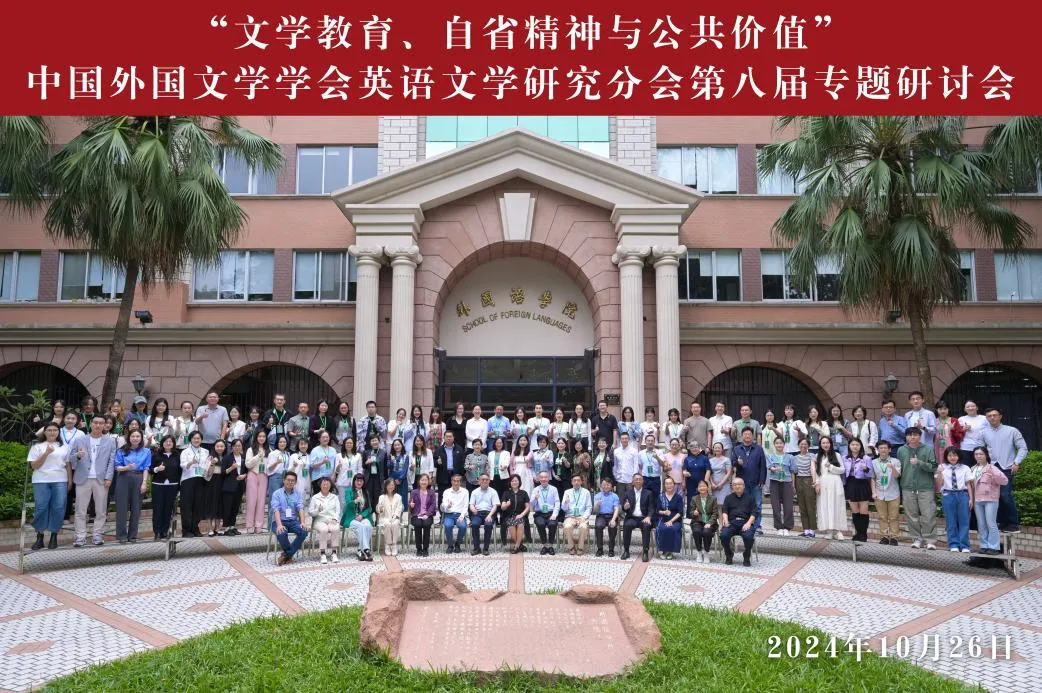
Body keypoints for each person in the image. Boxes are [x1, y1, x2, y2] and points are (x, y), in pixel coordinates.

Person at [65, 415, 116, 547]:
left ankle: (98, 535)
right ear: (91, 424)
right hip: (83, 478)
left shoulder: (110, 441)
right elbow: (70, 459)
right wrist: (78, 455)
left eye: (101, 423)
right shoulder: (80, 439)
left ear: (104, 425)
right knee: (80, 510)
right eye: (95, 422)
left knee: (101, 510)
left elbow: (112, 461)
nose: (98, 425)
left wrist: (109, 477)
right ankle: (80, 537)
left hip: (101, 480)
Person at [980, 407, 1027, 532]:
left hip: (1007, 467)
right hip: (991, 468)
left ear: (1000, 416)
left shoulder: (1012, 430)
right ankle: (1002, 522)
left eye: (994, 415)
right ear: (986, 418)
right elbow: (980, 450)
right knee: (994, 496)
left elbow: (1023, 448)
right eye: (989, 416)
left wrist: (1017, 462)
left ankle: (1013, 523)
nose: (992, 418)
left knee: (1005, 495)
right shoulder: (984, 433)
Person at [28, 423, 70, 550]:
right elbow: (34, 466)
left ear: (58, 432)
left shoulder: (64, 447)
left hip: (60, 480)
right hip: (41, 480)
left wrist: (70, 480)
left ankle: (53, 536)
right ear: (44, 432)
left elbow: (68, 465)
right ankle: (39, 536)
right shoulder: (37, 447)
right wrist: (46, 453)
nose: (52, 432)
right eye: (49, 430)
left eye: (55, 430)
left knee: (58, 507)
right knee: (41, 507)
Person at [897, 426, 938, 549]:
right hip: (907, 487)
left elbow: (933, 467)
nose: (912, 437)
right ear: (906, 437)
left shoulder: (928, 449)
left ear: (920, 436)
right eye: (909, 435)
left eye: (915, 435)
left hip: (925, 487)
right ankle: (916, 539)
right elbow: (899, 468)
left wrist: (920, 462)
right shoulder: (901, 450)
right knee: (911, 516)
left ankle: (930, 541)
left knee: (928, 515)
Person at [113, 429, 150, 544]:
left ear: (141, 438)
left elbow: (146, 468)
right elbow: (117, 467)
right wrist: (127, 467)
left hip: (139, 478)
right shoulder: (121, 450)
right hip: (124, 477)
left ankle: (133, 535)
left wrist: (144, 482)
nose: (135, 438)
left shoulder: (146, 451)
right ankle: (122, 535)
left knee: (136, 508)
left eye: (138, 436)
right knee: (122, 508)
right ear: (128, 438)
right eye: (133, 436)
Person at [970, 447, 1007, 555]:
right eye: (976, 454)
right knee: (981, 524)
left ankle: (994, 547)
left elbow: (1004, 481)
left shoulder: (992, 468)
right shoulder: (973, 468)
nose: (978, 456)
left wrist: (994, 475)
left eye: (981, 454)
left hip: (990, 499)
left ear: (986, 455)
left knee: (991, 523)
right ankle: (984, 546)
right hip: (977, 500)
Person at [938, 446, 974, 553]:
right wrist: (940, 473)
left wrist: (971, 499)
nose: (952, 457)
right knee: (951, 521)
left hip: (962, 495)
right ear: (946, 457)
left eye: (954, 455)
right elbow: (939, 483)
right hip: (948, 495)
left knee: (964, 521)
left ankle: (965, 545)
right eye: (949, 455)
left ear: (959, 456)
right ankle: (953, 544)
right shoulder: (942, 467)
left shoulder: (965, 468)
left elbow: (969, 484)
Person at [732, 428, 767, 534]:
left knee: (757, 504)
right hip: (742, 483)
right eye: (745, 434)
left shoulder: (759, 449)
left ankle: (757, 526)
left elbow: (763, 465)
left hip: (756, 482)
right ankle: (745, 524)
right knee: (743, 504)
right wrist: (738, 463)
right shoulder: (737, 449)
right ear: (742, 436)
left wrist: (762, 480)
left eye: (749, 434)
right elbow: (733, 463)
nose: (747, 436)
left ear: (753, 436)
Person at [271, 471, 308, 566]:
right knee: (281, 532)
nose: (290, 482)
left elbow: (301, 508)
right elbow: (276, 509)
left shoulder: (297, 494)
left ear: (295, 482)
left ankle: (285, 555)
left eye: (293, 480)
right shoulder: (277, 493)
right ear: (284, 480)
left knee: (304, 531)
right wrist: (279, 525)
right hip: (279, 521)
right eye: (288, 480)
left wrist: (302, 522)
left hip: (293, 521)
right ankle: (289, 555)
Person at [149, 435, 181, 540]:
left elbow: (180, 472)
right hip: (158, 485)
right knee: (158, 509)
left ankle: (164, 531)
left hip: (172, 486)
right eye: (166, 441)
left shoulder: (177, 456)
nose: (168, 443)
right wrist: (157, 469)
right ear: (162, 443)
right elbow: (150, 469)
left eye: (170, 441)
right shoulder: (156, 455)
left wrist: (179, 488)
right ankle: (157, 532)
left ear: (173, 444)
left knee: (168, 510)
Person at [870, 441, 902, 546]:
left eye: (885, 448)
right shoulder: (873, 462)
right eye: (881, 448)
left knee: (894, 517)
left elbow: (897, 476)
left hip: (893, 493)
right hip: (879, 493)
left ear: (889, 449)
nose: (883, 450)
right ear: (877, 450)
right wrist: (873, 492)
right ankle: (884, 537)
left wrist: (892, 467)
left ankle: (894, 538)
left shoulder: (896, 461)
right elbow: (873, 478)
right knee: (882, 516)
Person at [815, 436, 847, 540]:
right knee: (825, 506)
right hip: (823, 483)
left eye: (827, 443)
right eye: (823, 443)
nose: (825, 445)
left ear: (831, 444)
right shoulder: (818, 456)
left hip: (835, 483)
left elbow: (842, 470)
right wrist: (817, 483)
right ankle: (829, 531)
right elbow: (817, 472)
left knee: (836, 505)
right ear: (820, 445)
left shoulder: (837, 455)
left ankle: (838, 531)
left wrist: (831, 466)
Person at [179, 431, 210, 537]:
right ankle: (186, 530)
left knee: (198, 505)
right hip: (188, 479)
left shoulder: (205, 451)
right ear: (190, 439)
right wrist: (191, 462)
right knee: (187, 505)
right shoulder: (185, 451)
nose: (196, 440)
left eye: (198, 438)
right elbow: (182, 465)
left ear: (201, 440)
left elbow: (206, 465)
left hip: (200, 479)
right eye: (194, 438)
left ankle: (195, 528)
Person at [720, 477, 757, 567]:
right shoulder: (728, 498)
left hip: (745, 523)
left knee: (748, 537)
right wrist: (726, 521)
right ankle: (729, 554)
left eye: (739, 484)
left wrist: (748, 523)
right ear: (732, 487)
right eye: (735, 485)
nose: (737, 486)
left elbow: (754, 513)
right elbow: (724, 511)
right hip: (732, 523)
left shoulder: (750, 498)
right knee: (723, 535)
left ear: (743, 486)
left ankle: (746, 555)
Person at [843, 438, 874, 543]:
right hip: (850, 484)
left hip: (862, 484)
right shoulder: (845, 458)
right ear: (849, 446)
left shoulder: (866, 458)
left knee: (863, 511)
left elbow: (870, 474)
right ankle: (858, 533)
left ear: (860, 446)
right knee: (855, 511)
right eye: (852, 444)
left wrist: (866, 469)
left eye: (857, 444)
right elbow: (843, 473)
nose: (855, 446)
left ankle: (863, 534)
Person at [621, 473, 657, 562]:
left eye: (640, 479)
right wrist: (625, 507)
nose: (638, 481)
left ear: (643, 481)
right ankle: (626, 550)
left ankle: (645, 552)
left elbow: (652, 507)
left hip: (644, 518)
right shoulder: (627, 493)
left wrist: (649, 517)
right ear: (632, 481)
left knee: (646, 526)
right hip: (631, 517)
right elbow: (623, 508)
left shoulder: (648, 493)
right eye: (636, 479)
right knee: (627, 525)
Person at [766, 436, 797, 536]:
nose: (779, 445)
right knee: (775, 506)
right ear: (774, 445)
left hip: (787, 482)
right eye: (777, 443)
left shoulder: (790, 457)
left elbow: (793, 472)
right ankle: (779, 527)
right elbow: (769, 467)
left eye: (781, 443)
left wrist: (793, 485)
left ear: (784, 444)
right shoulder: (770, 456)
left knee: (788, 506)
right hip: (774, 482)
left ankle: (787, 527)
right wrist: (773, 469)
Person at [308, 477, 342, 564]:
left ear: (330, 485)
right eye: (323, 484)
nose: (325, 486)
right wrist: (317, 510)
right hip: (319, 520)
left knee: (335, 528)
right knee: (324, 529)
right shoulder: (315, 497)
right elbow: (310, 512)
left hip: (331, 520)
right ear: (320, 485)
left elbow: (338, 510)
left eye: (327, 484)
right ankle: (323, 553)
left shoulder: (334, 497)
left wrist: (335, 518)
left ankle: (334, 552)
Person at [342, 473, 374, 561]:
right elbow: (348, 504)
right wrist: (355, 501)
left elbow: (369, 508)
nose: (359, 482)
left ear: (363, 482)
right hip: (351, 517)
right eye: (357, 480)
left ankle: (360, 550)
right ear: (354, 481)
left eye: (361, 481)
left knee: (368, 525)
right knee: (361, 526)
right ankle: (366, 550)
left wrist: (362, 515)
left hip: (362, 517)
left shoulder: (366, 492)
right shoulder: (349, 491)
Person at [243, 429, 269, 534]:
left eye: (263, 436)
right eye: (259, 436)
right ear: (256, 437)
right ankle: (250, 525)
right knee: (251, 501)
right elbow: (248, 464)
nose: (261, 438)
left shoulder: (269, 450)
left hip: (264, 475)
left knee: (261, 502)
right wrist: (258, 456)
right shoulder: (251, 449)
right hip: (252, 474)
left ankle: (259, 525)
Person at [561, 473, 593, 555]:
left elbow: (589, 507)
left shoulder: (586, 492)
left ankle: (580, 547)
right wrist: (566, 503)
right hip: (570, 516)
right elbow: (564, 508)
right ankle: (571, 546)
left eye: (578, 480)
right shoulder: (567, 492)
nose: (576, 482)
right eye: (574, 480)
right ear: (571, 482)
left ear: (581, 482)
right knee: (567, 526)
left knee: (583, 527)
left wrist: (584, 517)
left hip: (582, 516)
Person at [689, 480, 719, 564]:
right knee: (696, 531)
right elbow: (691, 512)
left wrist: (709, 523)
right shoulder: (694, 498)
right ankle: (699, 551)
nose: (702, 488)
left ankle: (706, 552)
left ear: (707, 487)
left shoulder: (713, 499)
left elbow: (715, 513)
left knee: (706, 532)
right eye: (700, 486)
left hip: (710, 522)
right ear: (697, 488)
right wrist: (694, 513)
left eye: (704, 486)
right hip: (697, 521)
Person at [221, 439, 247, 536]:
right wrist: (232, 467)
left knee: (235, 507)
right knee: (228, 507)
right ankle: (227, 528)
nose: (237, 447)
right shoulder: (227, 458)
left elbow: (247, 471)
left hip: (239, 486)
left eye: (239, 445)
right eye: (235, 446)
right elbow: (223, 473)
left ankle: (232, 526)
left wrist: (244, 476)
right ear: (232, 447)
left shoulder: (244, 457)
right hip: (228, 486)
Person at [469, 473, 499, 556]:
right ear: (479, 481)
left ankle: (486, 548)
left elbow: (495, 506)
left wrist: (489, 515)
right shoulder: (474, 492)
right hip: (477, 513)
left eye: (487, 480)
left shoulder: (493, 491)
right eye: (482, 479)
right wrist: (473, 509)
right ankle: (476, 548)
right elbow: (471, 504)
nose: (485, 481)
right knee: (474, 524)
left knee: (488, 525)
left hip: (489, 513)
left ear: (489, 481)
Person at [531, 471, 560, 555]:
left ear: (548, 478)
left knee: (552, 524)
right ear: (539, 479)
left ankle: (550, 545)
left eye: (545, 477)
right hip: (539, 513)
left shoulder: (554, 489)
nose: (544, 479)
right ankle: (545, 545)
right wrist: (535, 499)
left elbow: (557, 502)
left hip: (551, 513)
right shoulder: (535, 490)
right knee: (540, 524)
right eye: (542, 477)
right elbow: (532, 505)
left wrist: (554, 514)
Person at [793, 438, 818, 537]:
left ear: (808, 446)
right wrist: (793, 485)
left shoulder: (812, 455)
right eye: (801, 444)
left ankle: (812, 530)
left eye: (805, 444)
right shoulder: (795, 457)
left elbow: (813, 468)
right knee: (802, 506)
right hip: (798, 480)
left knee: (810, 506)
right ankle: (806, 529)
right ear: (798, 445)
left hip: (808, 480)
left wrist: (814, 481)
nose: (803, 446)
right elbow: (794, 472)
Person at [264, 434, 290, 527]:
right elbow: (269, 468)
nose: (282, 443)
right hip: (275, 477)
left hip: (285, 478)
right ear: (277, 443)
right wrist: (277, 462)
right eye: (280, 442)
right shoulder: (273, 453)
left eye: (284, 442)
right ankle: (271, 526)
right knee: (274, 501)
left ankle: (284, 524)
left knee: (285, 501)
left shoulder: (287, 454)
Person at [655, 477, 685, 559]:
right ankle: (664, 551)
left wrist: (671, 521)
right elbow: (657, 510)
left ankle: (670, 551)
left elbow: (680, 512)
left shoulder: (678, 497)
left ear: (674, 485)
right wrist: (664, 512)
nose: (669, 485)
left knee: (673, 529)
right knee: (662, 528)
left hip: (675, 520)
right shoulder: (660, 496)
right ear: (664, 485)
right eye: (667, 484)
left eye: (670, 483)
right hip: (663, 519)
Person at [440, 474, 470, 553]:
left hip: (460, 514)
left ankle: (458, 544)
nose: (456, 483)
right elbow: (443, 505)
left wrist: (462, 516)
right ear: (451, 481)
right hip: (449, 514)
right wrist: (448, 506)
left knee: (463, 526)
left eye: (458, 481)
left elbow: (466, 506)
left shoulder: (465, 492)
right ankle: (450, 545)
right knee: (448, 525)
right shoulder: (446, 492)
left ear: (460, 482)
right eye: (454, 481)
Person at [202, 439, 227, 537]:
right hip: (211, 482)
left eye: (222, 446)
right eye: (218, 446)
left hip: (222, 482)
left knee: (219, 504)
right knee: (210, 504)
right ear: (214, 447)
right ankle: (210, 529)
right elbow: (207, 474)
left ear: (225, 447)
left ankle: (217, 528)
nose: (220, 448)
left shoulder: (226, 457)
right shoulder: (210, 457)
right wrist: (212, 463)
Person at [500, 474, 530, 554]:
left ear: (519, 482)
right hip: (509, 515)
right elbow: (502, 508)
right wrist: (507, 505)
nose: (514, 482)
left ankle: (516, 546)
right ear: (510, 483)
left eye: (516, 481)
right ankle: (519, 545)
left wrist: (522, 514)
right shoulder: (506, 493)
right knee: (511, 524)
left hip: (521, 515)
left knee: (520, 524)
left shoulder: (524, 493)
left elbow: (527, 507)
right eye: (512, 481)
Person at [409, 473, 437, 556]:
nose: (424, 482)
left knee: (426, 524)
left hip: (427, 515)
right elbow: (410, 505)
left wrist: (427, 514)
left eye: (425, 480)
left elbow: (433, 505)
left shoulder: (431, 492)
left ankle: (425, 548)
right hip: (416, 515)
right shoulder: (414, 492)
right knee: (417, 524)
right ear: (419, 481)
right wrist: (411, 505)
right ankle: (418, 548)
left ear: (428, 482)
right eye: (422, 480)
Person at [592, 476, 620, 557]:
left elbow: (616, 509)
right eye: (604, 485)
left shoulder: (615, 496)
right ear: (601, 486)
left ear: (611, 486)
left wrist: (613, 520)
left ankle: (611, 549)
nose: (606, 486)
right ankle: (600, 549)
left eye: (608, 485)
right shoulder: (597, 496)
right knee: (598, 526)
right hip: (601, 516)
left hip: (612, 515)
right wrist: (597, 505)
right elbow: (594, 511)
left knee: (612, 527)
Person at [434, 430, 464, 506]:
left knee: (455, 495)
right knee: (442, 495)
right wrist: (437, 462)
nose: (448, 438)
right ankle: (442, 511)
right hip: (443, 475)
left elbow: (462, 463)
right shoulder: (439, 450)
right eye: (447, 437)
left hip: (455, 476)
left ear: (453, 437)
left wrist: (461, 475)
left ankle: (455, 510)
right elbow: (434, 463)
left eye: (450, 436)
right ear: (444, 438)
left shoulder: (459, 449)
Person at [376, 477, 404, 556]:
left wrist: (394, 517)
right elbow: (379, 510)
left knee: (394, 524)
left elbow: (399, 508)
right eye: (389, 485)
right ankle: (387, 545)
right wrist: (380, 509)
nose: (391, 487)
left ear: (395, 486)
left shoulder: (398, 497)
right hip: (385, 518)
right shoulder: (382, 497)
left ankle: (394, 545)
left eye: (392, 485)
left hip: (395, 518)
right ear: (386, 486)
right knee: (388, 524)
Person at [308, 430, 339, 497]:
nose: (325, 439)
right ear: (319, 439)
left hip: (330, 478)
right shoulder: (315, 450)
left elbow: (335, 463)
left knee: (329, 498)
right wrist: (322, 462)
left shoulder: (333, 450)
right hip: (318, 478)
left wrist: (334, 474)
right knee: (319, 499)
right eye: (323, 437)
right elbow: (311, 465)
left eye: (327, 437)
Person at [334, 437, 362, 510]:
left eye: (351, 443)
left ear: (353, 444)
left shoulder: (358, 455)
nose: (349, 444)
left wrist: (359, 482)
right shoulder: (339, 455)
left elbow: (359, 470)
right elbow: (336, 471)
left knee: (353, 501)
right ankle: (343, 516)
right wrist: (338, 467)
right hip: (342, 482)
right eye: (347, 443)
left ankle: (352, 516)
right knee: (343, 502)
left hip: (354, 482)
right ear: (344, 444)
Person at [958, 401, 988, 466]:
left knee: (980, 467)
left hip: (980, 446)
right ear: (964, 409)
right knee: (967, 467)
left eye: (973, 406)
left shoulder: (984, 418)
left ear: (977, 408)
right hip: (966, 447)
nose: (970, 408)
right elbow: (957, 433)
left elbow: (989, 431)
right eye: (968, 407)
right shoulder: (961, 419)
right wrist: (963, 429)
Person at [362, 434, 388, 509]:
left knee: (378, 496)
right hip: (369, 478)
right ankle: (369, 513)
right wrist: (366, 463)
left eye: (376, 440)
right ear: (370, 443)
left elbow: (385, 467)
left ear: (379, 441)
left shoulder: (383, 452)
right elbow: (363, 466)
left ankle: (377, 514)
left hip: (379, 478)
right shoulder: (366, 452)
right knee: (369, 496)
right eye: (372, 441)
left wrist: (385, 479)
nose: (374, 442)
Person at [682, 440, 710, 510]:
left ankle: (703, 515)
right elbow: (684, 470)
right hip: (690, 483)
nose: (694, 449)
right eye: (692, 447)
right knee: (691, 501)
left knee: (702, 501)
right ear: (689, 448)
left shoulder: (704, 458)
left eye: (696, 447)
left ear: (699, 448)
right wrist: (685, 473)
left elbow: (708, 470)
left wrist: (705, 482)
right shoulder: (687, 459)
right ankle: (690, 515)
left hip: (702, 484)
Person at [613, 432, 638, 501]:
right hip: (619, 479)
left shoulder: (634, 451)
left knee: (631, 499)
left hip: (630, 479)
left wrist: (634, 478)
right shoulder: (616, 451)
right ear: (620, 440)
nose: (624, 440)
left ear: (629, 439)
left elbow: (636, 465)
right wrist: (615, 476)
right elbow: (615, 465)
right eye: (622, 439)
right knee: (620, 499)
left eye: (626, 438)